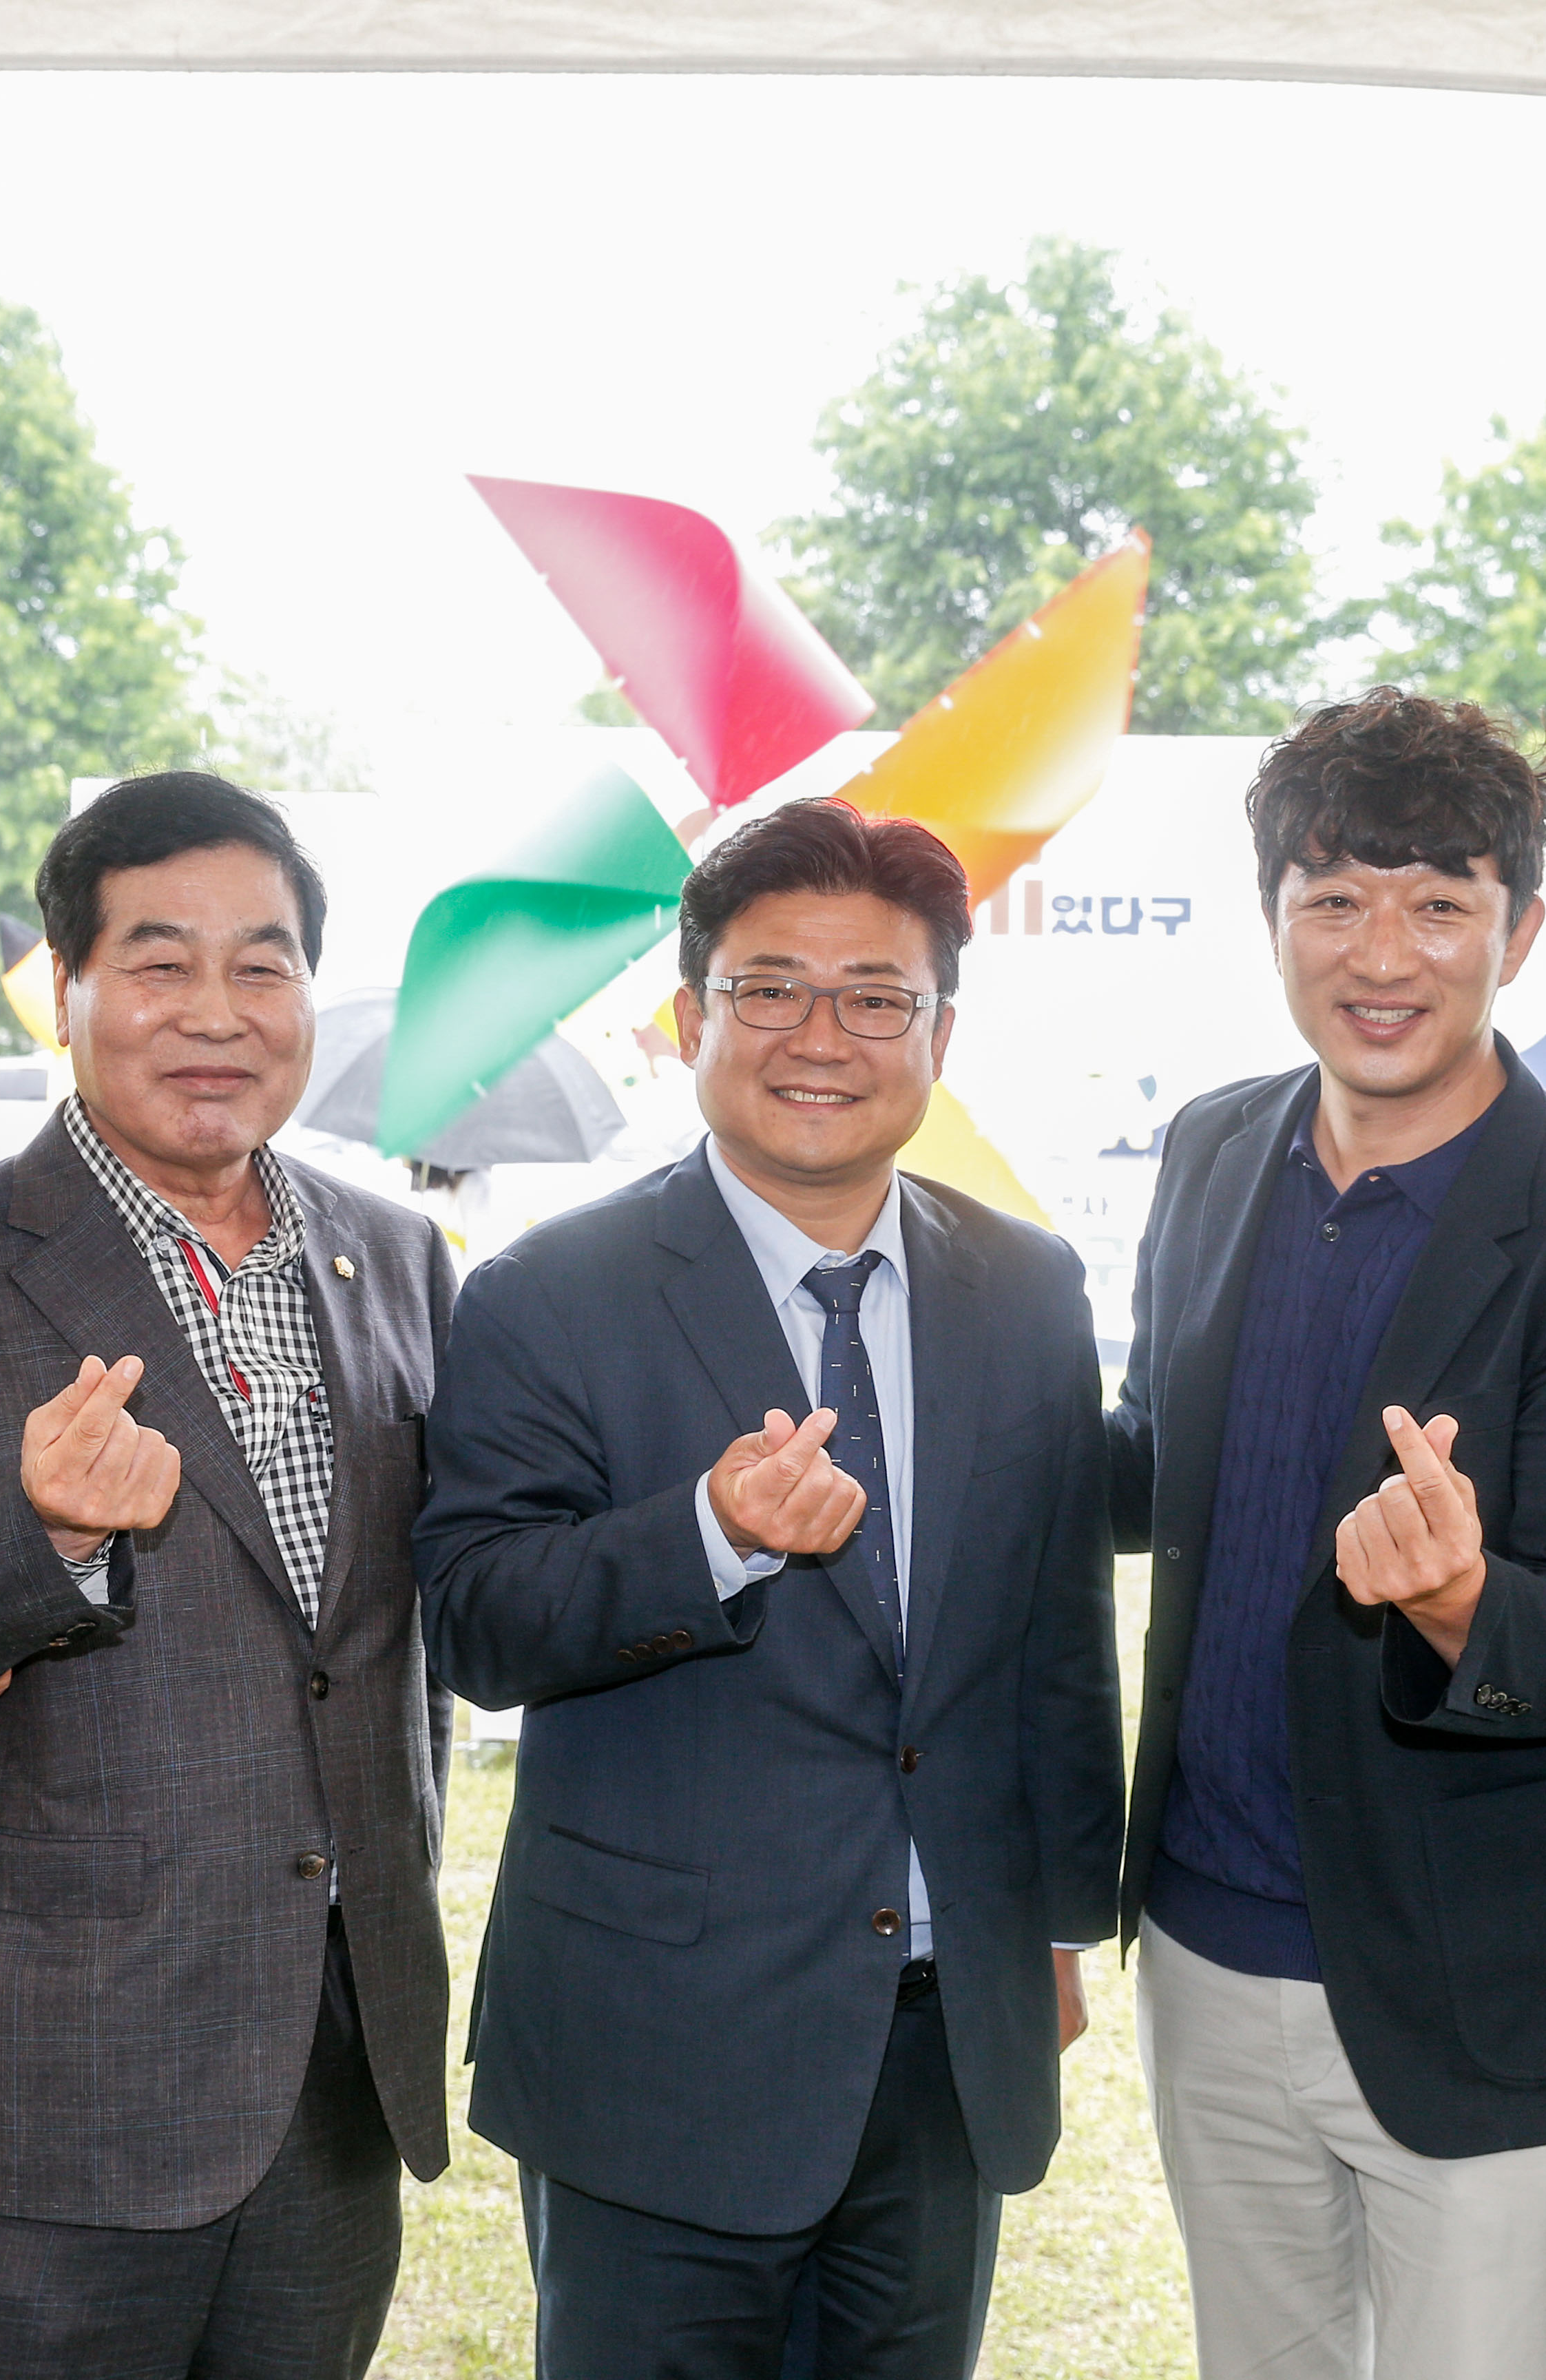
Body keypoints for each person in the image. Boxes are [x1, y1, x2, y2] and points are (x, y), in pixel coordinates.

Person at [415, 797, 1126, 2380]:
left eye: (874, 996)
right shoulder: (551, 1292)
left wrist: (1057, 1929)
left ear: (940, 1031)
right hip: (659, 2038)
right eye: (769, 988)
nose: (820, 1036)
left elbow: (1058, 1639)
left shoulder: (1027, 1290)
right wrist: (709, 1534)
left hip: (944, 2033)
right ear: (691, 1019)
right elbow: (476, 1620)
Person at [0, 773, 457, 2380]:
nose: (215, 1013)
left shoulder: (398, 1259)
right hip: (52, 2083)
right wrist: (46, 1533)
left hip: (331, 2070)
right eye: (160, 963)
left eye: (261, 965)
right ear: (67, 983)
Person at [1105, 690, 1546, 2379]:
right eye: (1333, 898)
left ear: (1519, 934)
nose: (1381, 954)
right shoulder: (1213, 1146)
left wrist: (1458, 1598)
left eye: (1439, 902)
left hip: (1479, 1981)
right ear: (1271, 920)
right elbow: (1159, 1458)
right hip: (1204, 1945)